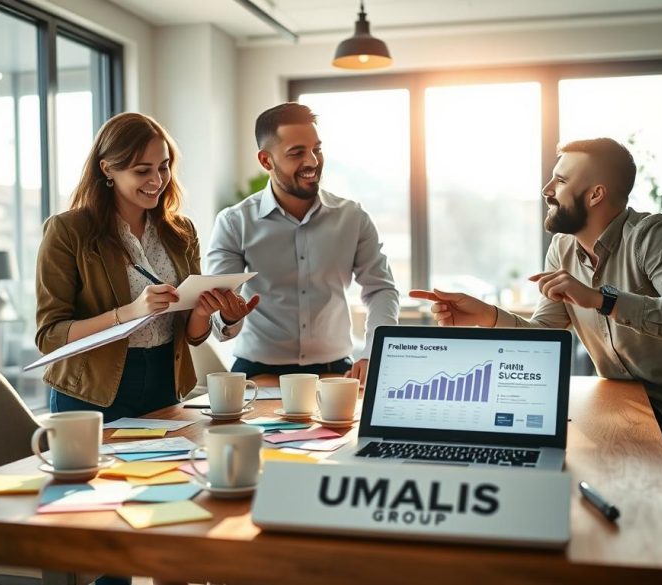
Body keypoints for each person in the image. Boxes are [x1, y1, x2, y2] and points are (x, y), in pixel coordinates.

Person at [410, 137, 662, 451]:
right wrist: (487, 315)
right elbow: (546, 335)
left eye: (560, 180)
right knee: (539, 437)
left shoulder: (652, 236)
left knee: (586, 453)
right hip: (636, 408)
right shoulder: (563, 248)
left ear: (596, 194)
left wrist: (603, 300)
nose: (547, 189)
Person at [36, 112, 258, 423]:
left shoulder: (181, 231)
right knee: (104, 474)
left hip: (164, 383)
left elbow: (190, 335)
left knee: (170, 472)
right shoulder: (68, 231)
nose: (157, 181)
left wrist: (211, 313)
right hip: (91, 391)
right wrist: (130, 312)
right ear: (108, 169)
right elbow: (50, 336)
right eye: (143, 171)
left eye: (164, 167)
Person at [206, 102, 399, 385]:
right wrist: (228, 316)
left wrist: (374, 353)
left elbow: (381, 289)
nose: (312, 161)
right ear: (265, 160)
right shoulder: (235, 222)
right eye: (297, 153)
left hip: (336, 374)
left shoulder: (352, 217)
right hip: (259, 376)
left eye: (317, 149)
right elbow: (219, 323)